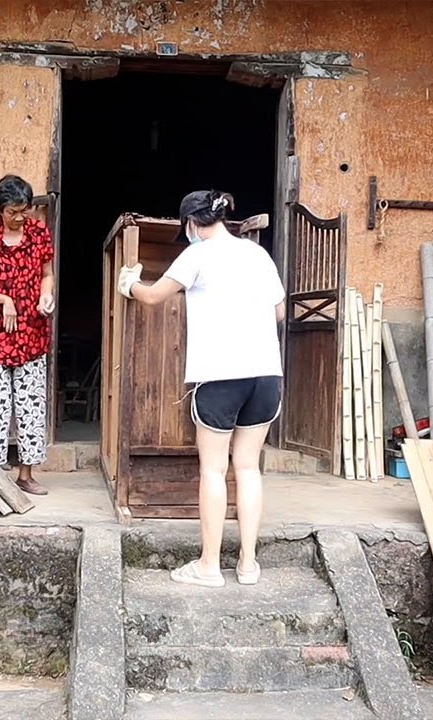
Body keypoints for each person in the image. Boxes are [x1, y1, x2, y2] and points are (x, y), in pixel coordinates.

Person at [117, 190, 285, 587]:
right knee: (248, 468)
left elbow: (155, 296)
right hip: (265, 375)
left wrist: (131, 284)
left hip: (221, 376)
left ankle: (209, 566)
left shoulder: (197, 254)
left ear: (191, 224)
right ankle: (248, 565)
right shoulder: (257, 255)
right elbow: (279, 312)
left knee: (213, 470)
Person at [0, 175, 56, 495]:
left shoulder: (38, 233)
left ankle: (26, 475)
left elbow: (47, 274)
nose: (20, 217)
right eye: (13, 211)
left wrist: (47, 296)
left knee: (31, 405)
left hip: (31, 332)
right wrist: (5, 301)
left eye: (24, 210)